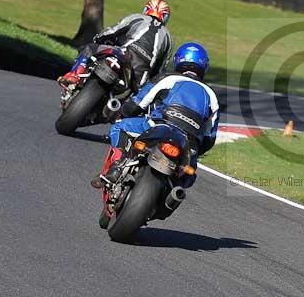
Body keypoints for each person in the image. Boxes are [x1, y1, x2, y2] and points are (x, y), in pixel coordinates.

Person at [92, 42, 219, 193]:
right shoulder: (212, 95)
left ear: (178, 61)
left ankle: (116, 167)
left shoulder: (168, 79)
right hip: (189, 142)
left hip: (160, 125)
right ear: (204, 67)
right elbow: (210, 137)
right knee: (188, 175)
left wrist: (124, 113)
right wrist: (196, 149)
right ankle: (171, 195)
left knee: (120, 127)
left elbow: (139, 102)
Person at [58, 0, 174, 90]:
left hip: (125, 53)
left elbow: (112, 31)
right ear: (165, 17)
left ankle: (74, 76)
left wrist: (99, 39)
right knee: (136, 98)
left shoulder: (138, 18)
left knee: (88, 49)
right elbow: (161, 68)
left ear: (146, 10)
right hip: (142, 71)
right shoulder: (169, 38)